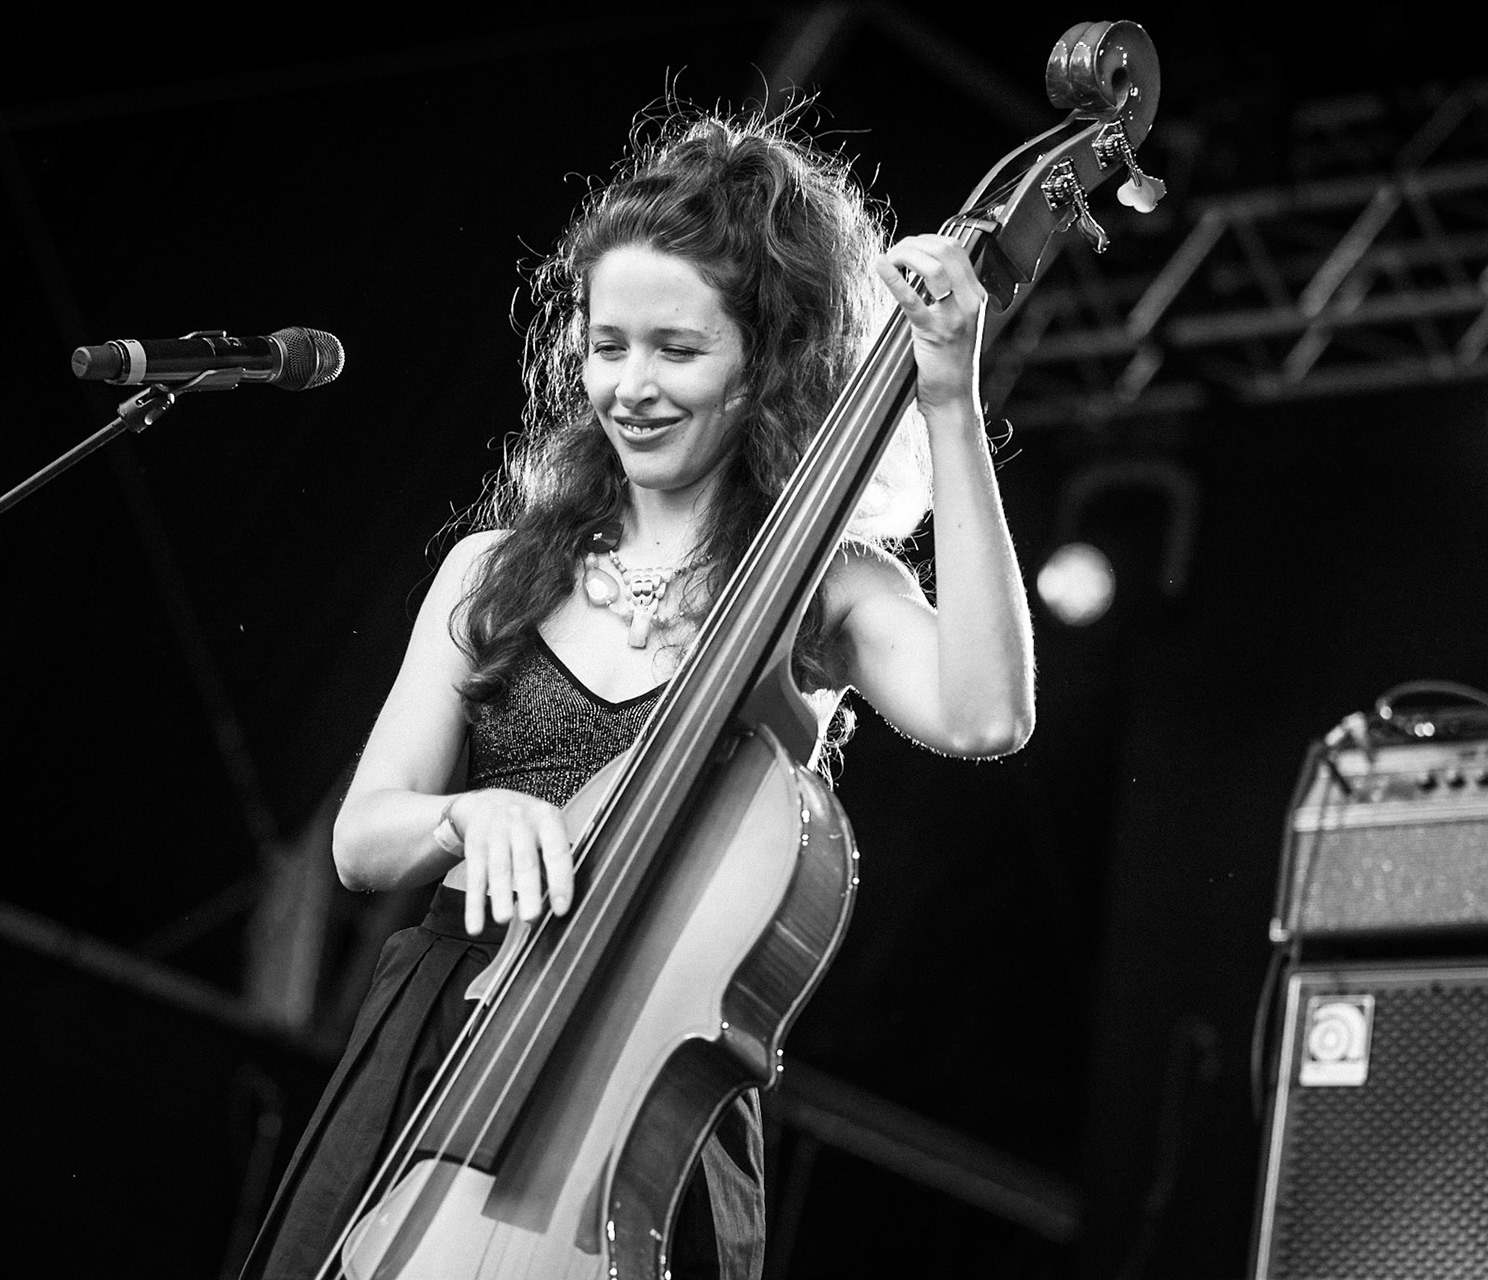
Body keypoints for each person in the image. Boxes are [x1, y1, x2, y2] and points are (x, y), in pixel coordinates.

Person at [240, 104, 1035, 1280]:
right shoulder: (495, 569)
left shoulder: (824, 591)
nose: (631, 386)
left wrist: (949, 401)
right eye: (610, 346)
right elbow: (364, 837)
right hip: (441, 1056)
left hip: (647, 1110)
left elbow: (985, 714)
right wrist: (469, 814)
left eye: (678, 349)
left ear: (763, 362)